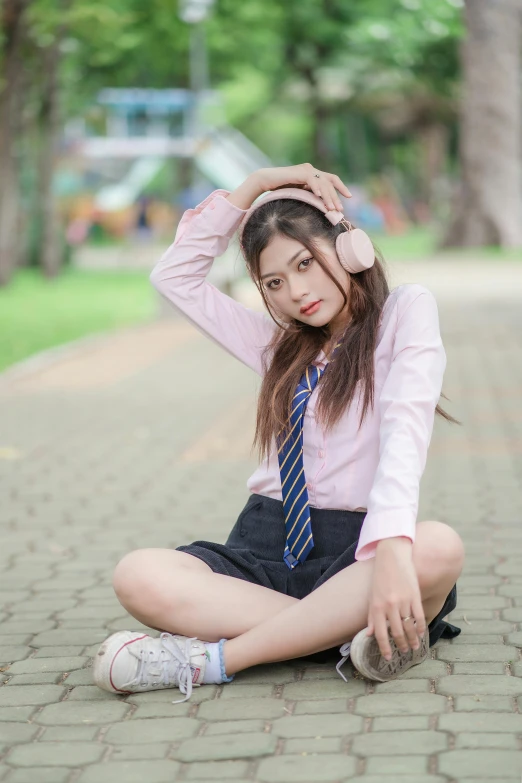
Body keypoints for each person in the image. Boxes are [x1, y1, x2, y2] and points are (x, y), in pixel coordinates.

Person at [92, 163, 464, 704]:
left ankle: (213, 661)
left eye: (306, 263)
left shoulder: (404, 313)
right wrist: (257, 185)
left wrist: (389, 553)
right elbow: (173, 277)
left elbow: (406, 433)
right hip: (264, 548)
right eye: (274, 282)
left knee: (436, 547)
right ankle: (345, 638)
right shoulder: (275, 347)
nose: (297, 291)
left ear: (350, 247)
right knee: (138, 574)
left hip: (356, 549)